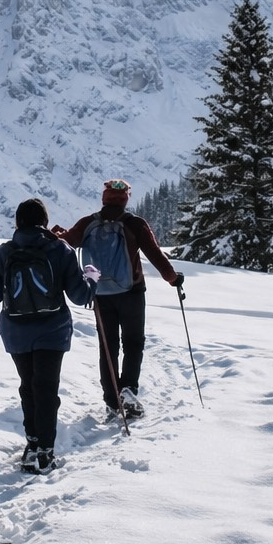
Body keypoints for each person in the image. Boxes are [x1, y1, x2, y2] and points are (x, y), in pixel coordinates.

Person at [0, 198, 98, 474]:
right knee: (46, 388)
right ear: (44, 222)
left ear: (17, 223)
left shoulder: (4, 252)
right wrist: (91, 278)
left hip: (16, 333)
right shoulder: (59, 249)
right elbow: (80, 295)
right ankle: (45, 449)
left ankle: (32, 443)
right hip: (52, 331)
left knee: (28, 386)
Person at [54, 179, 183, 420]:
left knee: (108, 347)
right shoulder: (134, 224)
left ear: (104, 199)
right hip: (132, 293)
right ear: (125, 200)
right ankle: (128, 391)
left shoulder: (87, 223)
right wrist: (173, 279)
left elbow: (66, 242)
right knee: (133, 343)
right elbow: (155, 255)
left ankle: (112, 401)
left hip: (100, 294)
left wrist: (57, 233)